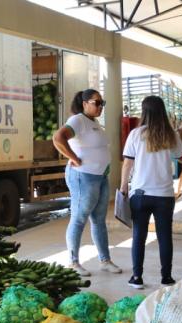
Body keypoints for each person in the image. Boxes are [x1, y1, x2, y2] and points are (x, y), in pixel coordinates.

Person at [52, 89, 122, 277]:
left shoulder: (94, 122)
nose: (100, 106)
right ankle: (73, 262)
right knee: (79, 218)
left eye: (102, 103)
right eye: (97, 103)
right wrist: (73, 158)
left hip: (99, 177)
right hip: (84, 177)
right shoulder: (78, 120)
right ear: (85, 104)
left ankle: (105, 260)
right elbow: (58, 138)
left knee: (99, 220)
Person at [120, 95, 182, 289]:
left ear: (144, 111)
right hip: (164, 195)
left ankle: (137, 277)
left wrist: (124, 186)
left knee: (139, 235)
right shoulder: (171, 135)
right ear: (162, 111)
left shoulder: (136, 134)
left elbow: (127, 164)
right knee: (164, 236)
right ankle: (166, 277)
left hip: (140, 194)